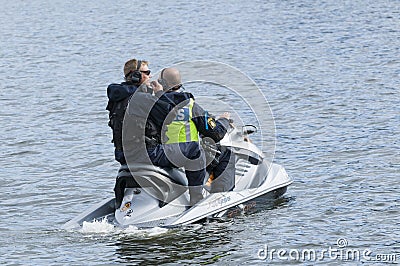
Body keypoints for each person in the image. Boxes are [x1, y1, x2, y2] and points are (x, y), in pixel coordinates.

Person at [148, 67, 231, 206]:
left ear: (162, 83)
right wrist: (224, 120)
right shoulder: (189, 105)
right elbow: (216, 133)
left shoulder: (153, 104)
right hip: (185, 156)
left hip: (160, 154)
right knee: (224, 153)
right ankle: (221, 198)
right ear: (179, 84)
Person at [106, 58, 173, 208]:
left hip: (124, 156)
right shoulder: (141, 98)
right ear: (135, 75)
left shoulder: (116, 99)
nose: (150, 76)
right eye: (147, 73)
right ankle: (196, 197)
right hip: (147, 155)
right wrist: (159, 93)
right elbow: (169, 114)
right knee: (193, 150)